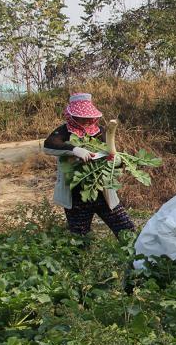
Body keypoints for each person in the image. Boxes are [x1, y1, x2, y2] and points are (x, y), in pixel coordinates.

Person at [43, 92, 135, 238]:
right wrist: (74, 150)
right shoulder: (64, 131)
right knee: (80, 236)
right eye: (82, 117)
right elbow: (49, 145)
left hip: (102, 191)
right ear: (72, 116)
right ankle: (81, 259)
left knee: (126, 229)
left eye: (88, 117)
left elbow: (111, 153)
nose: (86, 120)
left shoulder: (101, 132)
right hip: (75, 195)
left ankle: (134, 257)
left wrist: (115, 161)